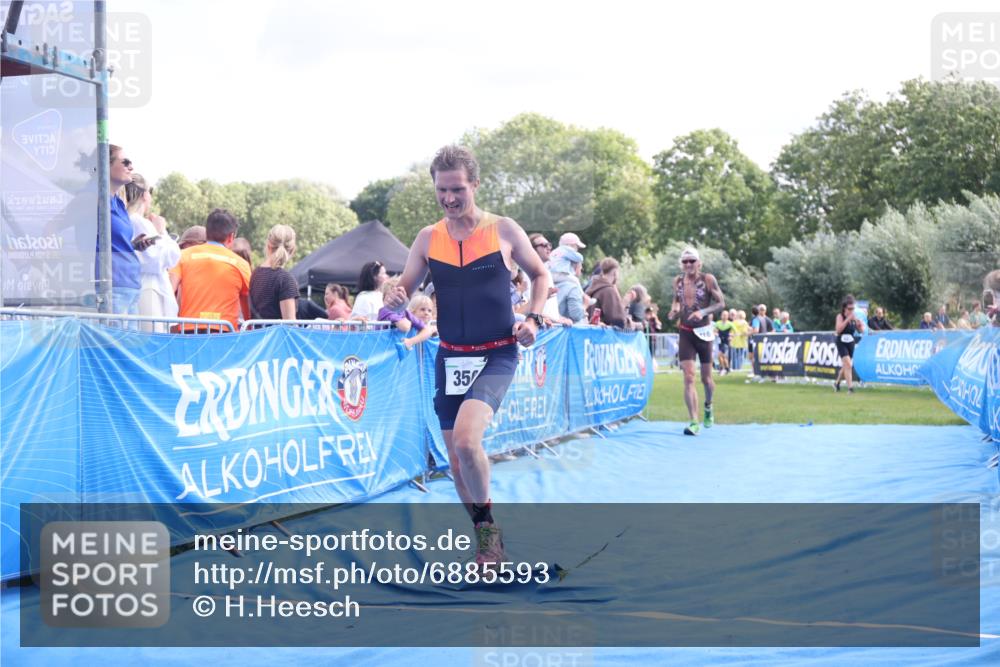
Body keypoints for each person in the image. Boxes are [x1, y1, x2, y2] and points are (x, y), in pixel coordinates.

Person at [384, 145, 549, 568]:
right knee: (455, 462)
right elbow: (403, 292)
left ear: (474, 184)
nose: (450, 198)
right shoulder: (427, 237)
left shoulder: (504, 229)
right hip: (450, 357)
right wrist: (395, 295)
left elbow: (540, 274)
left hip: (496, 353)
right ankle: (485, 537)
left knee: (465, 441)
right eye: (442, 190)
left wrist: (532, 317)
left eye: (458, 189)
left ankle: (490, 539)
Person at [668, 247, 726, 435]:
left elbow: (720, 303)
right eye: (685, 262)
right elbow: (676, 301)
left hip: (704, 332)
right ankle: (694, 421)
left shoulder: (708, 279)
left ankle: (708, 405)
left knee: (706, 379)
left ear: (699, 263)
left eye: (692, 261)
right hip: (685, 332)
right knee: (688, 376)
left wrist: (702, 312)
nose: (688, 265)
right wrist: (674, 310)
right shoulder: (677, 281)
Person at [169, 208, 251, 331]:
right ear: (231, 237)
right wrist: (249, 330)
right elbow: (247, 304)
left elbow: (169, 290)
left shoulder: (183, 256)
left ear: (207, 232)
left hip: (189, 331)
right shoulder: (241, 264)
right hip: (224, 333)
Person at [123, 173, 180, 332]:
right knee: (151, 340)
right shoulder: (139, 222)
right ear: (144, 195)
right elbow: (163, 258)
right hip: (149, 287)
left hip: (138, 286)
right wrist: (162, 232)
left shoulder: (127, 220)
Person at [100, 145, 145, 316]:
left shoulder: (119, 203)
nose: (131, 167)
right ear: (105, 164)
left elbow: (113, 240)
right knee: (112, 342)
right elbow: (53, 227)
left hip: (130, 285)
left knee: (130, 342)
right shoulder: (92, 198)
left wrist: (132, 245)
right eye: (125, 162)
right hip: (111, 286)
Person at [249, 224, 298, 321]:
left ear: (268, 246)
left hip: (257, 335)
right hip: (277, 336)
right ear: (292, 250)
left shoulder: (254, 274)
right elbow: (290, 324)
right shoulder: (285, 279)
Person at [378, 279, 438, 351]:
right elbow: (405, 326)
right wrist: (409, 322)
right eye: (397, 295)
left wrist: (411, 341)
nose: (400, 298)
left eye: (402, 293)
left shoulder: (405, 312)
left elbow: (427, 330)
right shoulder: (385, 310)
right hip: (381, 351)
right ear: (386, 297)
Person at [585, 258, 633, 329]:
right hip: (605, 336)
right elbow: (618, 319)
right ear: (615, 273)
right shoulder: (608, 291)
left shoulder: (591, 288)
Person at [833, 295, 865, 393]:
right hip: (841, 341)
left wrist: (859, 325)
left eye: (853, 309)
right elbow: (838, 330)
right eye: (849, 309)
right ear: (844, 308)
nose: (851, 311)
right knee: (848, 364)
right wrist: (847, 319)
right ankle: (850, 388)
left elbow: (861, 331)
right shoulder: (840, 316)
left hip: (850, 342)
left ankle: (837, 383)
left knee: (847, 365)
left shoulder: (854, 317)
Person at [550, 246, 588, 324]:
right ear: (575, 265)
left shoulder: (547, 284)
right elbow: (576, 315)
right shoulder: (572, 287)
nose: (581, 268)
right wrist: (585, 305)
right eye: (581, 265)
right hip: (566, 332)